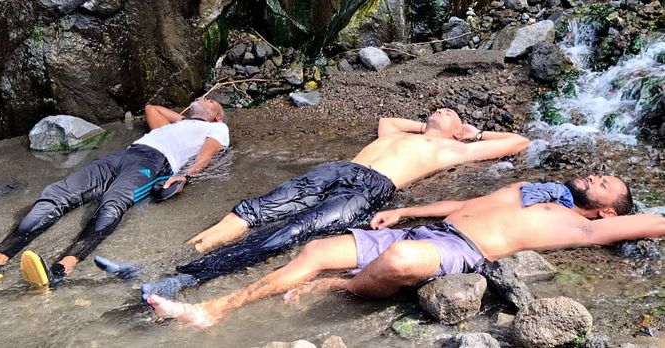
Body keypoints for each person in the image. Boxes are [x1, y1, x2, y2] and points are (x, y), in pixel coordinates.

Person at [97, 108, 530, 300]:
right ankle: (154, 264)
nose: (440, 109)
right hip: (338, 168)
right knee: (253, 210)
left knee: (291, 232)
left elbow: (519, 141)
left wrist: (469, 134)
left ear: (458, 133)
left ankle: (181, 281)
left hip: (370, 190)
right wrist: (429, 123)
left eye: (448, 110)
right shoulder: (401, 134)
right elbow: (387, 121)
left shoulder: (455, 150)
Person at [145, 175, 663, 328]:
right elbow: (467, 199)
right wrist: (406, 213)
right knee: (318, 248)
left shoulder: (582, 227)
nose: (596, 175)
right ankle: (216, 310)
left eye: (607, 183)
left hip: (459, 250)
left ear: (610, 213)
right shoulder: (539, 190)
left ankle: (342, 287)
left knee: (394, 265)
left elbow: (656, 222)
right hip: (430, 227)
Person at [0, 98, 229, 287]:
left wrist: (183, 176)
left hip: (154, 165)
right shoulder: (174, 125)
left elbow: (206, 155)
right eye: (202, 98)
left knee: (112, 203)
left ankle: (61, 269)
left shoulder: (217, 129)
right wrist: (189, 116)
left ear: (218, 117)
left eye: (213, 102)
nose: (206, 98)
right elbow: (152, 109)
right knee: (57, 193)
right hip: (125, 154)